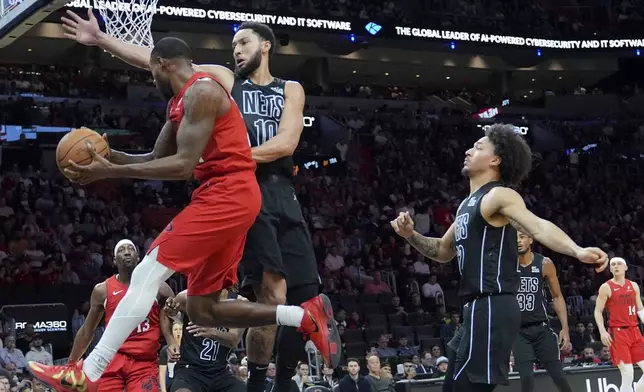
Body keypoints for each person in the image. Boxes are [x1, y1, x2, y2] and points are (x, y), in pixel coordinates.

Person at [29, 37, 339, 392]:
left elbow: (182, 166)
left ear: (164, 64)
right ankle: (304, 316)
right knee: (204, 310)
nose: (151, 79)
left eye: (151, 71)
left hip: (228, 194)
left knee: (146, 272)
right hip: (228, 197)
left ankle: (89, 371)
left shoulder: (202, 93)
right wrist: (109, 156)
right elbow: (153, 159)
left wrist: (108, 173)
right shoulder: (179, 103)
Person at [390, 123, 608, 392]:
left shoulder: (499, 194)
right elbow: (442, 251)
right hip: (474, 309)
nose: (469, 150)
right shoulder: (465, 205)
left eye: (479, 147)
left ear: (495, 159)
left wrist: (577, 250)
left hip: (493, 304)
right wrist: (411, 234)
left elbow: (537, 225)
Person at [30, 239, 175, 392]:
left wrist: (172, 333)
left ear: (138, 257)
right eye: (121, 250)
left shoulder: (159, 288)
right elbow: (87, 331)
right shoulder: (102, 290)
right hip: (111, 359)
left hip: (144, 361)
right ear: (114, 261)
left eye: (130, 249)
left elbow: (170, 319)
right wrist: (71, 364)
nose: (126, 252)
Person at [512, 233, 572, 392]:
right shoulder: (506, 264)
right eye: (515, 238)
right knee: (526, 379)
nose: (518, 241)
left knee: (559, 376)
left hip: (541, 329)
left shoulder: (544, 263)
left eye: (522, 237)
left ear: (530, 240)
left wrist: (564, 328)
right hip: (518, 332)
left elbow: (557, 297)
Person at [164, 289, 246, 392]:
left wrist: (212, 332)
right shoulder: (187, 297)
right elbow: (166, 314)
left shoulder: (239, 303)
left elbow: (234, 340)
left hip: (220, 371)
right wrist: (171, 342)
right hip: (190, 370)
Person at [594, 257, 644, 392]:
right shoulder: (606, 287)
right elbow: (598, 311)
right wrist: (602, 331)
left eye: (619, 264)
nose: (616, 266)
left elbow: (640, 308)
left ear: (626, 267)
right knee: (628, 374)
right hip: (618, 333)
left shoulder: (633, 285)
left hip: (635, 331)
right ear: (610, 269)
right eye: (613, 264)